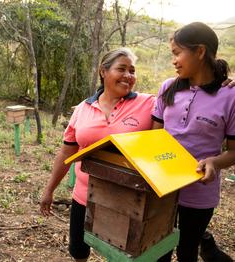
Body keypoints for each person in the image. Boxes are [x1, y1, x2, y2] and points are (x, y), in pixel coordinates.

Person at [40, 48, 156, 261]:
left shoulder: (148, 103)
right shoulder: (83, 109)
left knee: (121, 253)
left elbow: (183, 102)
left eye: (132, 70)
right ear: (103, 72)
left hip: (126, 199)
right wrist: (49, 190)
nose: (128, 75)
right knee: (78, 250)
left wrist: (222, 84)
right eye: (121, 69)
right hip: (84, 195)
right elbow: (67, 152)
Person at [152, 22, 235, 262]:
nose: (174, 60)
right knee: (158, 248)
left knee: (187, 250)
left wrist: (213, 162)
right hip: (162, 188)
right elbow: (154, 137)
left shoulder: (229, 96)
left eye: (178, 53)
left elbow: (233, 152)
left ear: (200, 51)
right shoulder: (168, 88)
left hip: (200, 193)